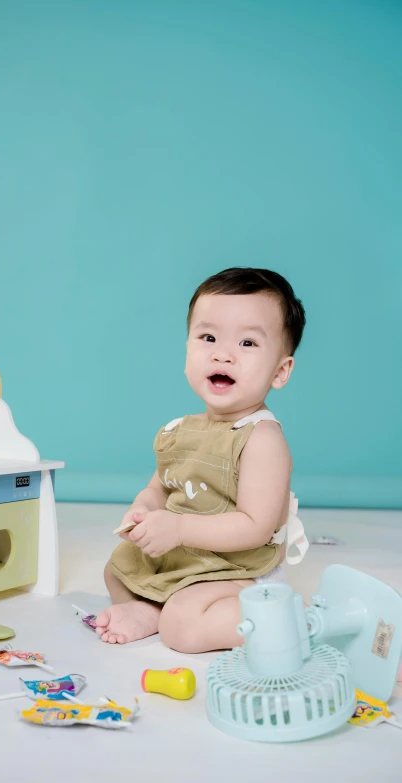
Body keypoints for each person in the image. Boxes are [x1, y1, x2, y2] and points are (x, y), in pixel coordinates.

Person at [95, 267, 309, 652]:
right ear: (187, 352)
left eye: (247, 343)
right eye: (208, 337)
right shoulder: (182, 429)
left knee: (184, 627)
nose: (222, 353)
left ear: (280, 371)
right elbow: (161, 485)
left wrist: (177, 530)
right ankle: (152, 610)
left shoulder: (262, 438)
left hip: (238, 568)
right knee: (117, 570)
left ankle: (288, 619)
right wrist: (144, 509)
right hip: (189, 558)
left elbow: (255, 527)